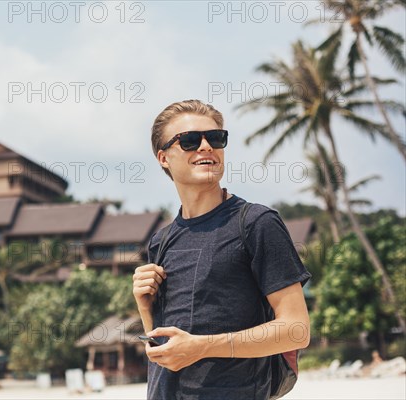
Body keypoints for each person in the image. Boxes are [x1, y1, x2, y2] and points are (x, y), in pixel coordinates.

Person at [132, 100, 311, 399]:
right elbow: (164, 349)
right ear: (163, 157)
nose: (205, 147)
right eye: (189, 141)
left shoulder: (256, 223)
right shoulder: (161, 241)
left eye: (216, 139)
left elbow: (296, 329)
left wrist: (202, 346)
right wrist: (145, 306)